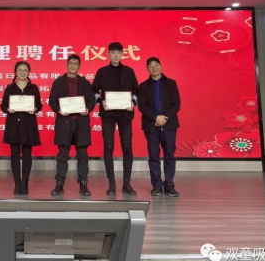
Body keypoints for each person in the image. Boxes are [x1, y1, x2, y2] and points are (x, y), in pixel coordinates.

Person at [92, 42, 139, 195]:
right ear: (108, 54)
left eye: (118, 52)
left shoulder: (129, 71)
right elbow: (94, 90)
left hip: (125, 113)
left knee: (127, 147)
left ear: (122, 54)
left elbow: (136, 90)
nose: (116, 55)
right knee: (108, 147)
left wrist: (133, 102)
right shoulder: (102, 71)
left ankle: (126, 183)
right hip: (108, 113)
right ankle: (111, 183)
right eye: (113, 52)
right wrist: (101, 101)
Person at [49, 54, 96, 196]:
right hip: (64, 123)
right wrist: (59, 110)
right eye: (71, 63)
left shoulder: (85, 83)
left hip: (81, 123)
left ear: (79, 66)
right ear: (67, 65)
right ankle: (59, 184)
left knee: (82, 155)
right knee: (62, 155)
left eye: (76, 63)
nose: (73, 66)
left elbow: (91, 100)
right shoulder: (58, 82)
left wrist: (87, 109)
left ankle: (83, 184)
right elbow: (52, 100)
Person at [137, 57, 181, 197]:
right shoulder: (143, 86)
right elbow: (142, 106)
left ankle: (169, 184)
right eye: (151, 66)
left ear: (161, 66)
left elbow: (176, 104)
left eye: (156, 65)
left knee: (169, 155)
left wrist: (164, 118)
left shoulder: (171, 83)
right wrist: (156, 118)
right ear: (147, 69)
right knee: (153, 156)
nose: (154, 68)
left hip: (169, 125)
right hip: (151, 126)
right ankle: (156, 185)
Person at [1, 61, 43, 195]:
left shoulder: (33, 88)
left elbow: (39, 105)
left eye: (25, 70)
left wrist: (34, 109)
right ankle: (17, 183)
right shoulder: (10, 88)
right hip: (13, 123)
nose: (22, 72)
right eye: (20, 70)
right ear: (15, 72)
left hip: (28, 123)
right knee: (14, 154)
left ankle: (25, 183)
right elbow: (3, 106)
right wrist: (8, 109)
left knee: (27, 154)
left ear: (29, 72)